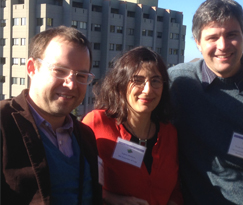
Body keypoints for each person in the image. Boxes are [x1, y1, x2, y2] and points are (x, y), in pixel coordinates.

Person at [168, 0, 243, 204]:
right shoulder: (177, 83)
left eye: (232, 35)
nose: (223, 46)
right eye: (212, 37)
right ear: (197, 42)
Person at [0, 26, 102, 204]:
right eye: (60, 71)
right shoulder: (3, 122)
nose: (71, 85)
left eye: (81, 75)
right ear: (32, 68)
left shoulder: (85, 136)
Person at [82, 46, 183, 205]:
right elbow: (77, 178)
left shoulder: (169, 133)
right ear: (121, 84)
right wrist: (113, 199)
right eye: (138, 80)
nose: (148, 90)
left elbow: (176, 188)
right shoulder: (97, 123)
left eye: (155, 81)